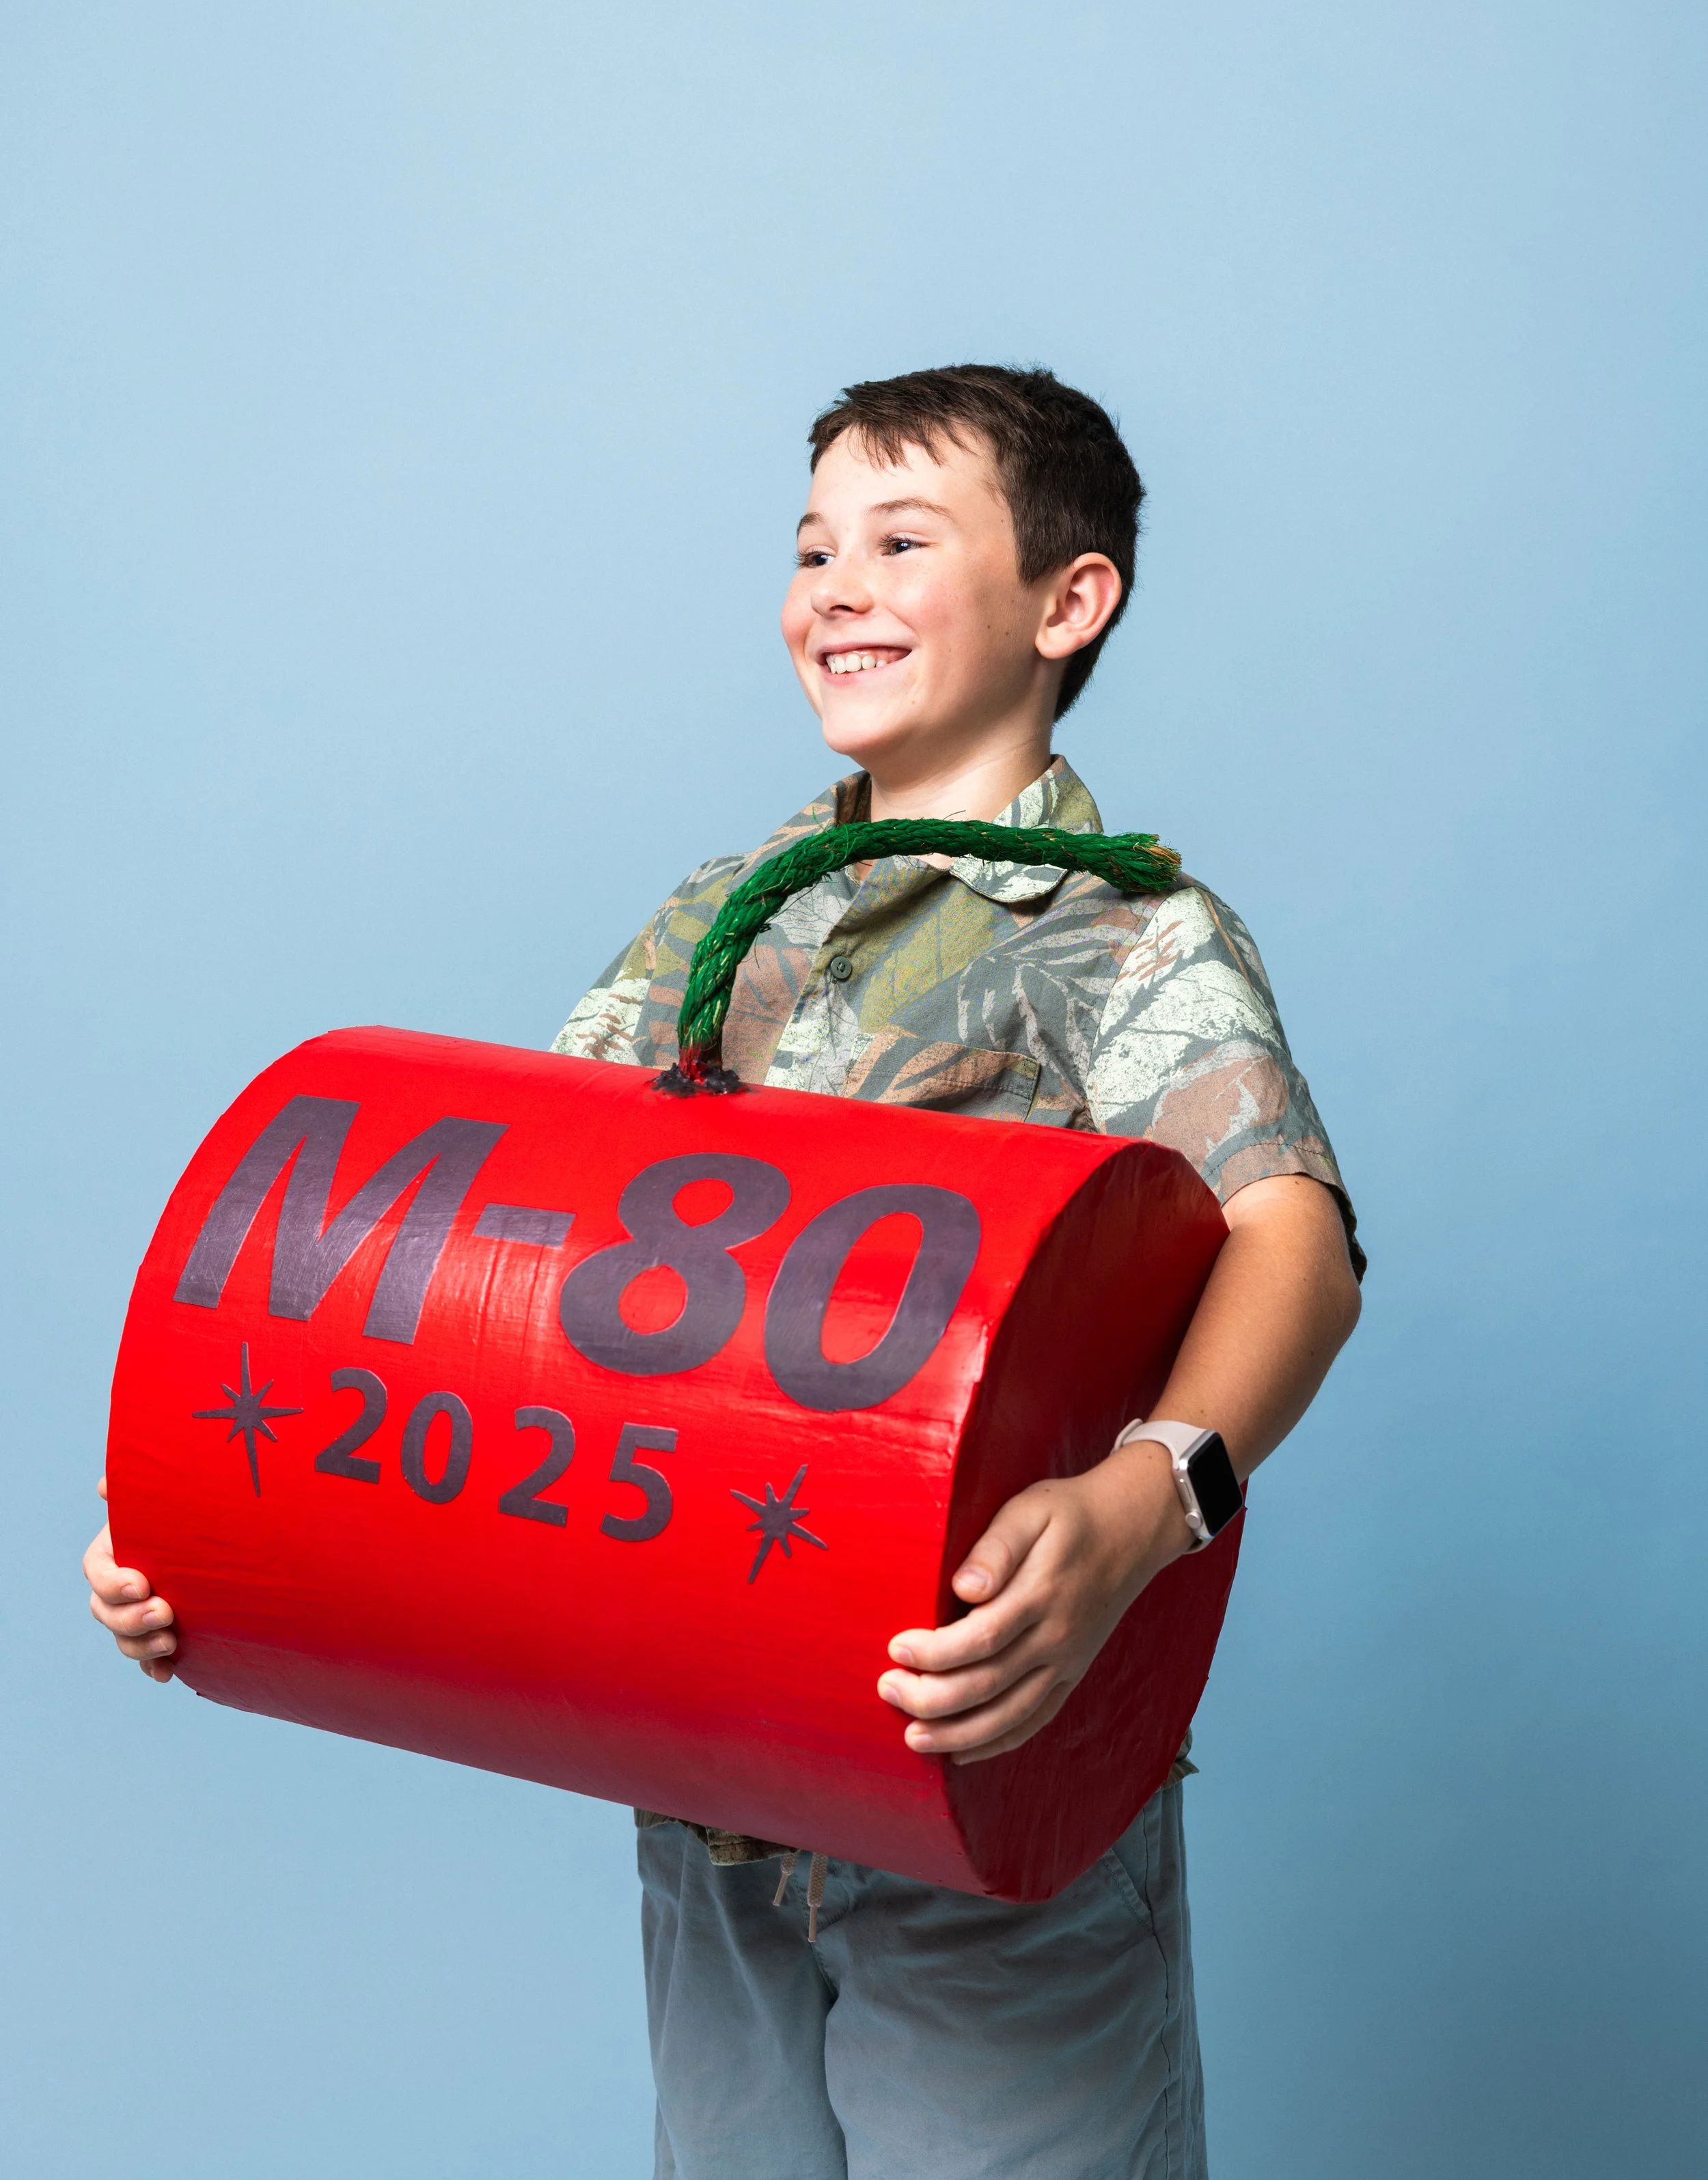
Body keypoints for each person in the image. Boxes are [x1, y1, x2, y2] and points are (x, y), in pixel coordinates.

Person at [86, 364, 1364, 2180]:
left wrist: (1147, 1494)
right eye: (810, 545)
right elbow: (512, 1258)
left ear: (1067, 602)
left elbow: (1292, 1240)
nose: (832, 585)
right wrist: (217, 1516)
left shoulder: (1120, 924)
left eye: (900, 540)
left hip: (993, 1772)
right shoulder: (724, 913)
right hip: (720, 1792)